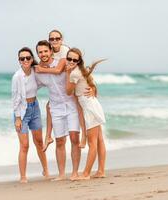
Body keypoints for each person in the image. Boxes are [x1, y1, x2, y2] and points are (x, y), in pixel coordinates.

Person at [34, 40, 81, 181]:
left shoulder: (62, 62)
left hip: (71, 104)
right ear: (38, 53)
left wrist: (90, 88)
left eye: (45, 51)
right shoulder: (37, 73)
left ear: (50, 51)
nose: (43, 54)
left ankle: (74, 173)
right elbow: (31, 87)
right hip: (55, 107)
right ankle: (61, 174)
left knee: (74, 137)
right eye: (40, 52)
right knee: (60, 141)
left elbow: (80, 72)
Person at [65, 47, 107, 180]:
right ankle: (100, 171)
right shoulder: (82, 71)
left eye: (74, 59)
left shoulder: (74, 74)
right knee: (99, 140)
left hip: (89, 106)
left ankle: (86, 173)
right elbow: (93, 85)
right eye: (69, 58)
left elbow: (68, 92)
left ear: (78, 61)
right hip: (92, 104)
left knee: (92, 142)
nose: (71, 61)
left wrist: (67, 73)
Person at [12, 47, 49, 183]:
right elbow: (15, 98)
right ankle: (23, 177)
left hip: (35, 108)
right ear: (19, 61)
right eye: (22, 58)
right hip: (22, 112)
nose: (25, 60)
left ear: (32, 59)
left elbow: (44, 80)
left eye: (28, 58)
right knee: (25, 145)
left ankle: (46, 170)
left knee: (39, 142)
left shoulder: (35, 71)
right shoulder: (17, 77)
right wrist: (17, 118)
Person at [42, 30, 70, 152]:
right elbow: (45, 63)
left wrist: (41, 70)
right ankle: (48, 136)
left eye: (57, 38)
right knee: (49, 106)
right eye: (51, 39)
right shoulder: (49, 52)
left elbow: (59, 69)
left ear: (61, 39)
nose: (54, 41)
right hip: (60, 89)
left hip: (71, 85)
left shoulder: (65, 50)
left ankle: (82, 137)